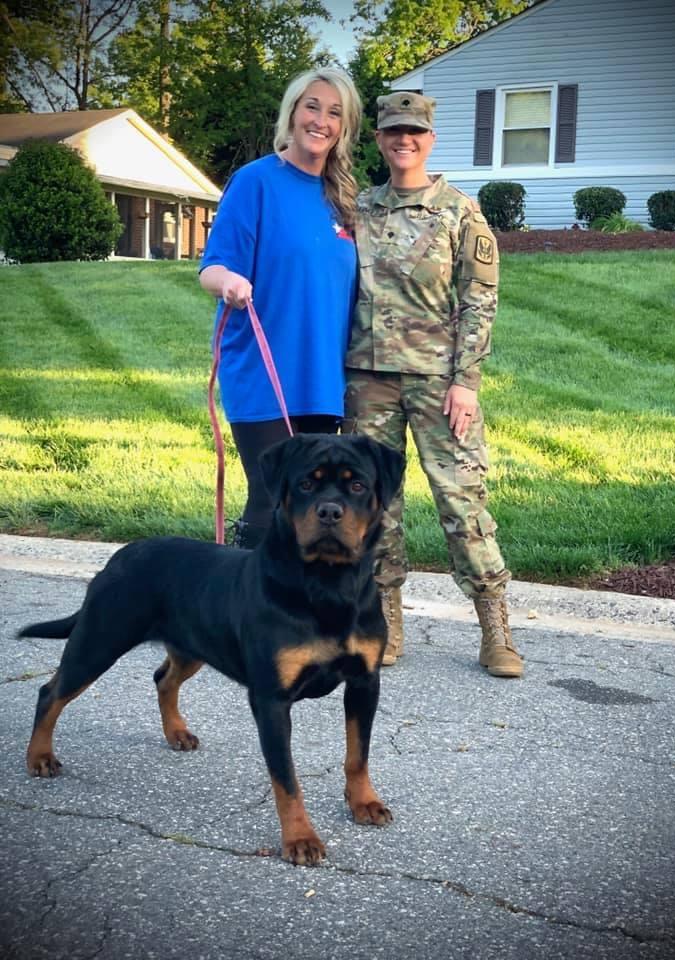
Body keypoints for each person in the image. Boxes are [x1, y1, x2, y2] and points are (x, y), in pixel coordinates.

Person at [344, 92, 523, 678]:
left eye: (415, 131)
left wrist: (466, 379)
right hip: (368, 380)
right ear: (378, 139)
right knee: (374, 504)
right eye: (394, 131)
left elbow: (480, 299)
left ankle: (495, 629)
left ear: (430, 139)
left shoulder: (459, 212)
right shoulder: (358, 208)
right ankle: (385, 624)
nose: (404, 140)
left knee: (461, 501)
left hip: (439, 381)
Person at [199, 68, 362, 548]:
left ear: (344, 127)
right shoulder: (256, 182)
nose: (321, 121)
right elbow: (212, 267)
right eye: (312, 106)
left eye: (334, 112)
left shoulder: (344, 198)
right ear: (292, 112)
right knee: (273, 498)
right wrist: (230, 282)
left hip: (324, 379)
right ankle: (244, 592)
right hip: (263, 371)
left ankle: (296, 597)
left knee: (312, 506)